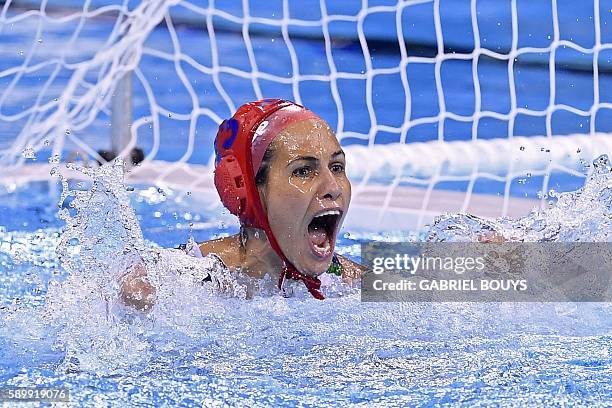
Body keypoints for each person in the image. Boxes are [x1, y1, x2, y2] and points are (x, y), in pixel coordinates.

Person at [120, 99, 366, 310]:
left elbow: (402, 279)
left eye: (337, 168)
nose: (333, 187)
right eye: (303, 171)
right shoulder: (177, 279)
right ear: (247, 190)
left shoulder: (350, 280)